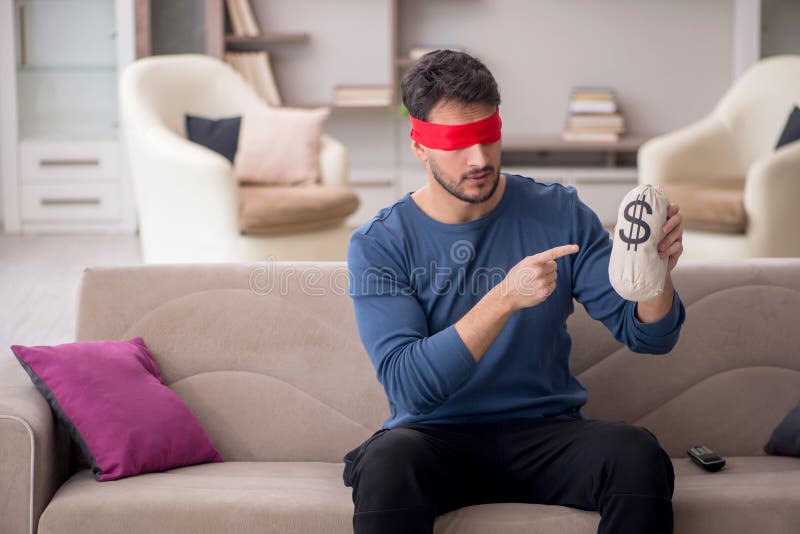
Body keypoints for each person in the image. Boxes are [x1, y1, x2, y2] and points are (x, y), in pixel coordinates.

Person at [342, 49, 686, 534]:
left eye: (488, 137)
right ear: (420, 146)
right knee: (387, 465)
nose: (479, 159)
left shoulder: (558, 212)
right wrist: (504, 297)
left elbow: (649, 336)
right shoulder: (379, 244)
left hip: (546, 434)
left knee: (636, 454)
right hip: (433, 438)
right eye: (459, 143)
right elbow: (408, 386)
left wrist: (657, 272)